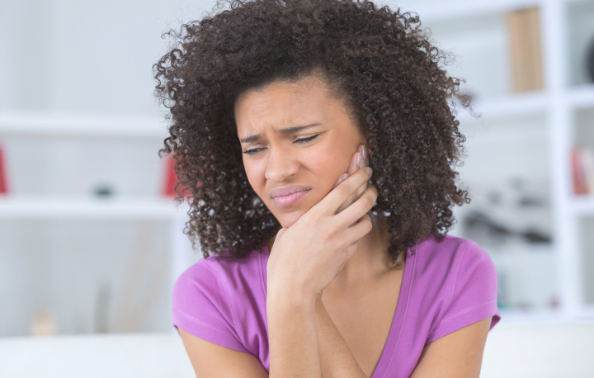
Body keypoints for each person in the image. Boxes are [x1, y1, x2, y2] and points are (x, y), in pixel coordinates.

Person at [153, 0, 501, 376]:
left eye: (304, 138)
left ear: (373, 134)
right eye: (254, 149)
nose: (278, 171)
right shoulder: (211, 293)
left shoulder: (455, 273)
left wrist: (298, 291)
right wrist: (291, 297)